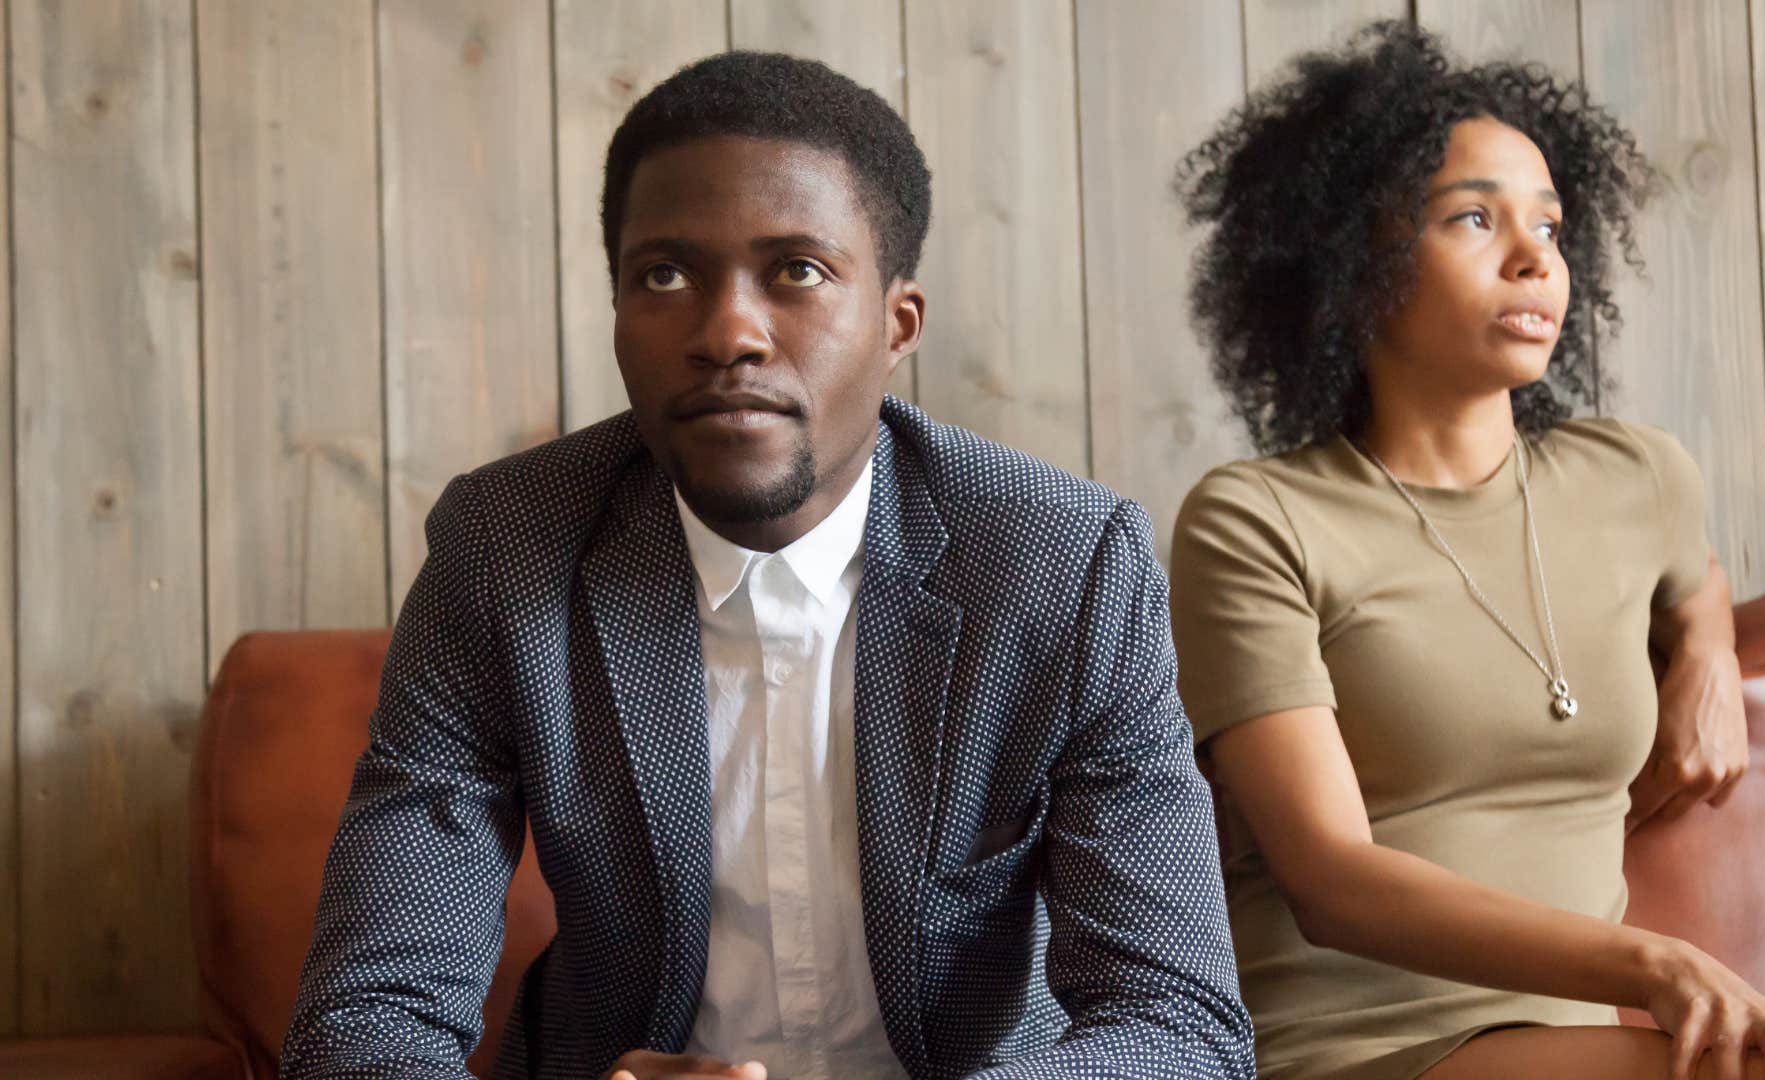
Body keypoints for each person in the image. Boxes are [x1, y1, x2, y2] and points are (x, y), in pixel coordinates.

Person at [280, 51, 1253, 1080]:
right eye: (665, 275)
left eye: (797, 270)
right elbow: (364, 1021)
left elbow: (1176, 1023)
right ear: (616, 309)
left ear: (896, 324)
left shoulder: (1062, 563)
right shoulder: (504, 550)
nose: (727, 333)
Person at [1168, 22, 1765, 1080]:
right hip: (1359, 1043)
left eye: (1550, 221)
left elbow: (1696, 574)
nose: (1536, 255)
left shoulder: (1637, 477)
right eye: (1474, 218)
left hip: (1569, 1042)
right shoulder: (1256, 521)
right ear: (1357, 263)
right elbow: (1330, 875)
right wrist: (1655, 964)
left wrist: (1711, 654)